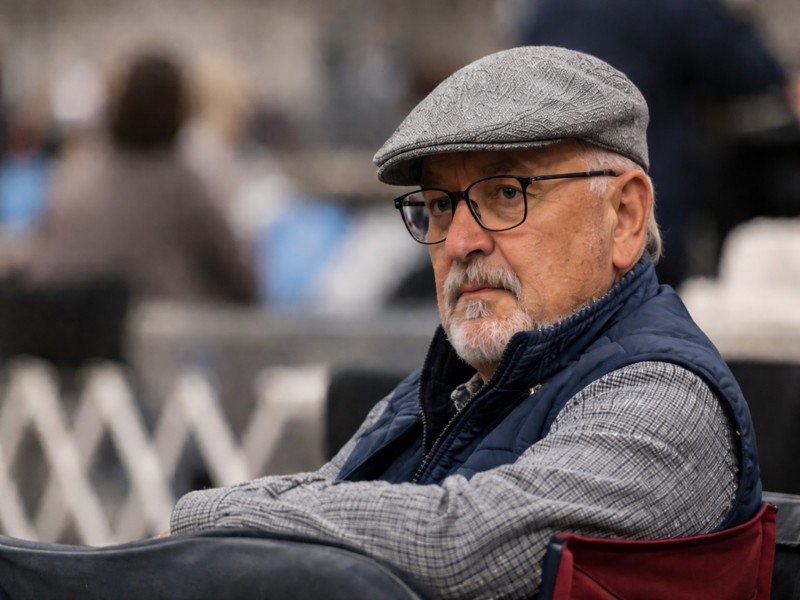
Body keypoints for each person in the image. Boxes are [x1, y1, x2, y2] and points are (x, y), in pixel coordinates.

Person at [161, 46, 761, 598]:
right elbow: (330, 503)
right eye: (441, 205)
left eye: (505, 193)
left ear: (625, 216)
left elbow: (459, 544)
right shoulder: (444, 387)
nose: (461, 242)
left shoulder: (665, 397)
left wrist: (203, 519)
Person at [519, 0, 795, 287]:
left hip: (562, 186)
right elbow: (739, 64)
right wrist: (782, 79)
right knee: (648, 296)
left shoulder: (545, 10)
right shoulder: (673, 7)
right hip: (648, 185)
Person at [14, 50, 259, 305]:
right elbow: (242, 279)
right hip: (142, 330)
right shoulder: (180, 184)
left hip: (55, 326)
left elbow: (40, 252)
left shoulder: (76, 168)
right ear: (180, 110)